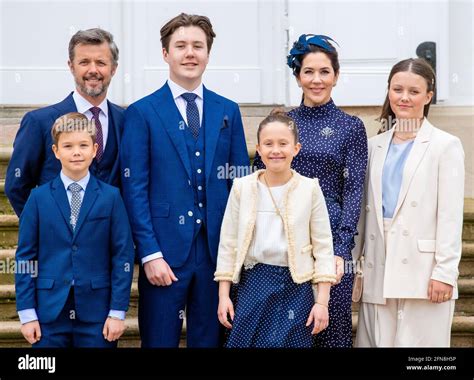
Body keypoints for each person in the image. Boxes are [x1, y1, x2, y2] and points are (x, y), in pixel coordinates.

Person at [120, 13, 250, 348]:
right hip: (163, 253)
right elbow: (134, 189)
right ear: (166, 54)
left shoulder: (228, 110)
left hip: (215, 255)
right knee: (159, 341)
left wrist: (235, 252)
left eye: (198, 46)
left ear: (208, 53)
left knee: (209, 341)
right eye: (181, 46)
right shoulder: (142, 112)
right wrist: (149, 254)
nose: (190, 53)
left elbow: (241, 185)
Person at [253, 34, 368, 347]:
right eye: (309, 72)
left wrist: (342, 250)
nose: (317, 80)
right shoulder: (281, 122)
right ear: (297, 76)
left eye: (325, 72)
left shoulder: (351, 126)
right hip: (283, 240)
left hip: (330, 242)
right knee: (286, 330)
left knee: (331, 327)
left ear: (336, 76)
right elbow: (258, 179)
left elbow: (354, 190)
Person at [354, 58, 465, 347]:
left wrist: (444, 273)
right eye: (397, 89)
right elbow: (363, 215)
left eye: (414, 91)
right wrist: (353, 267)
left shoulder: (445, 146)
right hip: (379, 268)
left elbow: (451, 216)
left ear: (428, 96)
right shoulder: (373, 146)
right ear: (388, 91)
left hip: (423, 274)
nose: (404, 97)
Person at [215, 110, 336, 347]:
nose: (276, 150)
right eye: (268, 144)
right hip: (254, 283)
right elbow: (228, 243)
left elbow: (323, 248)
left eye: (283, 143)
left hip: (296, 286)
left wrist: (321, 302)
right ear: (258, 149)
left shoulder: (309, 189)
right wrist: (223, 296)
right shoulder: (243, 188)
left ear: (296, 148)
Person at [15, 113, 134, 347]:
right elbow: (25, 258)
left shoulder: (111, 197)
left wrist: (117, 311)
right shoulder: (38, 198)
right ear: (56, 151)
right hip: (48, 313)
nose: (76, 152)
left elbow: (122, 256)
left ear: (94, 149)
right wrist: (27, 314)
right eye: (68, 146)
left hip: (97, 314)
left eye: (83, 145)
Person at [5, 28, 124, 217]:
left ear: (114, 68)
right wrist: (44, 229)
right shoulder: (39, 122)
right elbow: (17, 187)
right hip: (58, 243)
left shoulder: (127, 120)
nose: (93, 70)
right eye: (84, 62)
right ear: (71, 66)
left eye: (101, 62)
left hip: (113, 242)